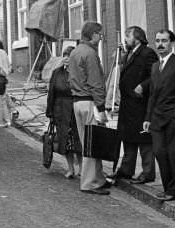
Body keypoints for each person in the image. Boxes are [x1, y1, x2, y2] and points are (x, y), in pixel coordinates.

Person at [142, 29, 175, 202]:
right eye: (157, 41)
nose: (160, 44)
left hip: (173, 117)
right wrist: (147, 118)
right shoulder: (155, 66)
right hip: (157, 118)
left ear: (171, 43)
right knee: (159, 152)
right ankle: (167, 187)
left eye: (164, 41)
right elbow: (152, 95)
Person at [68, 21, 111, 195]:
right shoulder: (91, 54)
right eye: (100, 34)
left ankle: (98, 178)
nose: (101, 38)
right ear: (93, 35)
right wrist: (101, 107)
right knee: (92, 144)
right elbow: (96, 82)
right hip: (90, 103)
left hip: (77, 101)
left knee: (91, 142)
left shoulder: (75, 51)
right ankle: (89, 183)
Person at [115, 26, 158, 183]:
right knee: (128, 137)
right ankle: (126, 169)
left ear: (137, 38)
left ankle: (148, 172)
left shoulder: (148, 53)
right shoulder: (128, 54)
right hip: (127, 104)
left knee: (144, 138)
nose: (125, 39)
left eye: (128, 36)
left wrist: (143, 86)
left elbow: (155, 75)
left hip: (140, 103)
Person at [46, 46, 81, 179]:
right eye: (64, 55)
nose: (66, 58)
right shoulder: (56, 72)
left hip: (73, 109)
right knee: (65, 142)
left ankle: (82, 168)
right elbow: (51, 92)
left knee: (77, 141)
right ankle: (70, 168)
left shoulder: (78, 72)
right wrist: (50, 112)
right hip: (60, 110)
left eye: (69, 55)